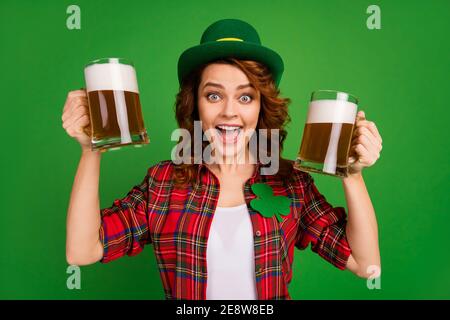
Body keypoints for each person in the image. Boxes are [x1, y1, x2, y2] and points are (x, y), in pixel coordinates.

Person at [63, 19, 382, 300]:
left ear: (261, 108)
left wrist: (352, 175)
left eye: (245, 97)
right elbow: (83, 250)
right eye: (213, 95)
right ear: (196, 104)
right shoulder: (162, 184)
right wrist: (91, 150)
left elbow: (365, 264)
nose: (229, 111)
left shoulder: (292, 183)